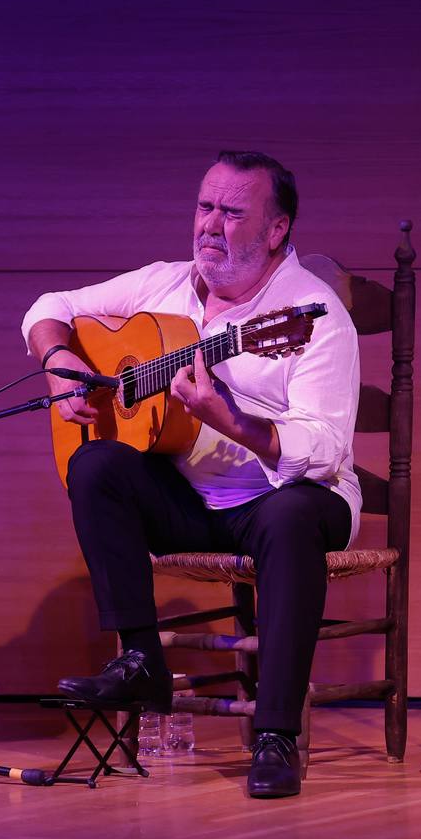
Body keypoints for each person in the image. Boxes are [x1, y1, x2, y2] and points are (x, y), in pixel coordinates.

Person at [21, 151, 361, 798]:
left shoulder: (310, 316)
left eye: (232, 213)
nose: (210, 225)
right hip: (193, 499)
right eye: (205, 206)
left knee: (293, 515)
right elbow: (48, 305)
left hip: (281, 498)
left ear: (277, 230)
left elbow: (325, 448)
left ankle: (274, 735)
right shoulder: (164, 284)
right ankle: (143, 662)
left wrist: (231, 422)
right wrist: (62, 358)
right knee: (95, 463)